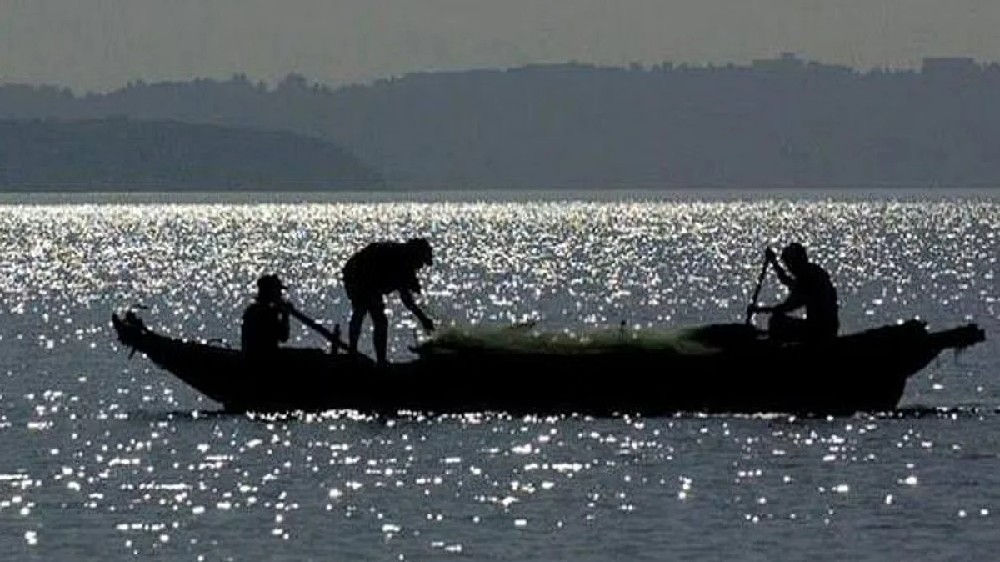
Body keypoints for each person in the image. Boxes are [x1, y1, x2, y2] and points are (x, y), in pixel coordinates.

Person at [342, 237, 435, 365]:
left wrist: (412, 283)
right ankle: (366, 357)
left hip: (369, 277)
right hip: (358, 273)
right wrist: (423, 318)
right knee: (369, 314)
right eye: (421, 262)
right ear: (416, 255)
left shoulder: (406, 261)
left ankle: (375, 358)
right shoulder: (401, 261)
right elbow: (406, 298)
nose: (420, 267)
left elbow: (407, 285)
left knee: (372, 315)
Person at [747, 242, 839, 342]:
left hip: (820, 330)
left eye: (789, 265)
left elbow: (788, 306)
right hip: (826, 327)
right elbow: (788, 282)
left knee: (776, 322)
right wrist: (774, 263)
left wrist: (759, 310)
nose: (790, 270)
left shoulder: (809, 278)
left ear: (796, 262)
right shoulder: (812, 271)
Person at [241, 274, 291, 356]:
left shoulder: (251, 310)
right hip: (263, 358)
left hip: (251, 355)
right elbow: (283, 337)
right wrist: (285, 315)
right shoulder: (267, 312)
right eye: (278, 291)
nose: (281, 295)